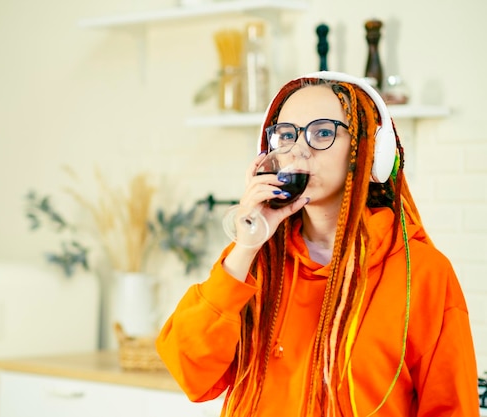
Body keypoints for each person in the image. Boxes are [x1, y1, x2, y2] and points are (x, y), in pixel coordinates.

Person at [155, 71, 479, 416]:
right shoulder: (254, 262)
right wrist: (246, 246)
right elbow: (191, 374)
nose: (299, 150)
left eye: (322, 133)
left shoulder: (424, 273)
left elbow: (451, 408)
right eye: (286, 135)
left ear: (369, 152)